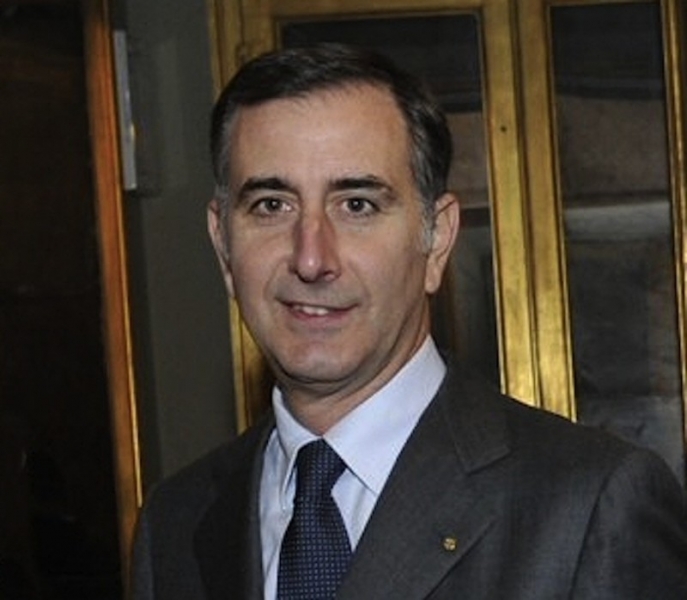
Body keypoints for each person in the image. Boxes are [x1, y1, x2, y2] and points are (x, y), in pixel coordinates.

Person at [131, 43, 687, 599]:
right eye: (272, 205)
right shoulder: (176, 523)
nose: (311, 258)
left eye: (357, 205)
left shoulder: (590, 506)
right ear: (223, 246)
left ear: (437, 240)